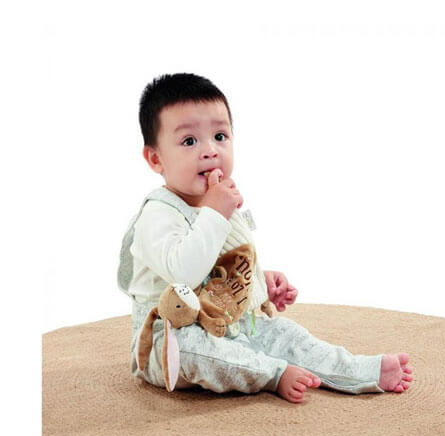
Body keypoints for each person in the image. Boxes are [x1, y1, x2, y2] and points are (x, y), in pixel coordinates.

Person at [117, 73, 413, 403]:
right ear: (155, 159)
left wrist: (258, 282)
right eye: (189, 141)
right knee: (195, 352)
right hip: (171, 338)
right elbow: (184, 274)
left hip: (232, 324)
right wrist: (215, 212)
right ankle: (271, 373)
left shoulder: (218, 201)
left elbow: (225, 263)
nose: (210, 151)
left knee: (287, 335)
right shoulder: (159, 214)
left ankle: (359, 370)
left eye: (219, 136)